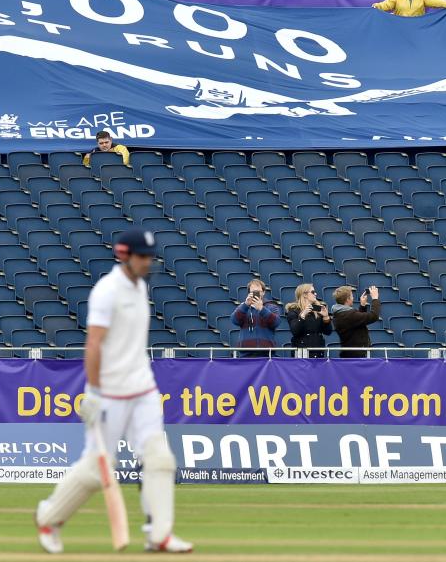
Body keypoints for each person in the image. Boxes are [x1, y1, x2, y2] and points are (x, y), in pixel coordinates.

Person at [35, 228, 192, 554]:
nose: (148, 262)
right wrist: (92, 391)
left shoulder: (139, 287)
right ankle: (49, 517)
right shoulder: (107, 290)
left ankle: (159, 535)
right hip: (109, 392)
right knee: (95, 469)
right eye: (142, 257)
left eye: (150, 257)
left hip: (143, 388)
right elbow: (94, 343)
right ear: (125, 255)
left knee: (159, 459)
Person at [230, 279, 281, 357]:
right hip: (246, 353)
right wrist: (245, 305)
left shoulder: (271, 307)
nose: (255, 294)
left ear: (263, 292)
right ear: (249, 293)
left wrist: (261, 309)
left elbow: (276, 323)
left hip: (267, 353)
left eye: (258, 291)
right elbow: (234, 320)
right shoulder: (243, 307)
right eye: (252, 292)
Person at [331, 285, 381, 358]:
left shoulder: (340, 313)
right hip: (355, 357)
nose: (353, 298)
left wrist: (362, 306)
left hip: (350, 354)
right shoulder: (348, 315)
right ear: (347, 299)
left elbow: (357, 322)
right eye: (351, 296)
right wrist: (375, 299)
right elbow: (374, 316)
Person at [285, 283, 333, 358]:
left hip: (318, 352)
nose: (316, 294)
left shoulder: (318, 310)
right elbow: (295, 331)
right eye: (313, 292)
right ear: (304, 294)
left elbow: (328, 332)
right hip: (302, 353)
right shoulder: (294, 311)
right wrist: (302, 316)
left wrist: (326, 317)